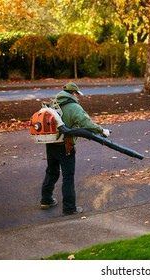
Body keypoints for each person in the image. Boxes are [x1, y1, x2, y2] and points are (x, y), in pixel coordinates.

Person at [40, 82, 110, 215]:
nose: (78, 97)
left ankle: (46, 199)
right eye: (77, 94)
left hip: (50, 144)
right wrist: (102, 131)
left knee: (52, 172)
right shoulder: (74, 107)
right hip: (66, 146)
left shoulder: (52, 104)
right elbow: (87, 123)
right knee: (68, 177)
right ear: (73, 93)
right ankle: (69, 208)